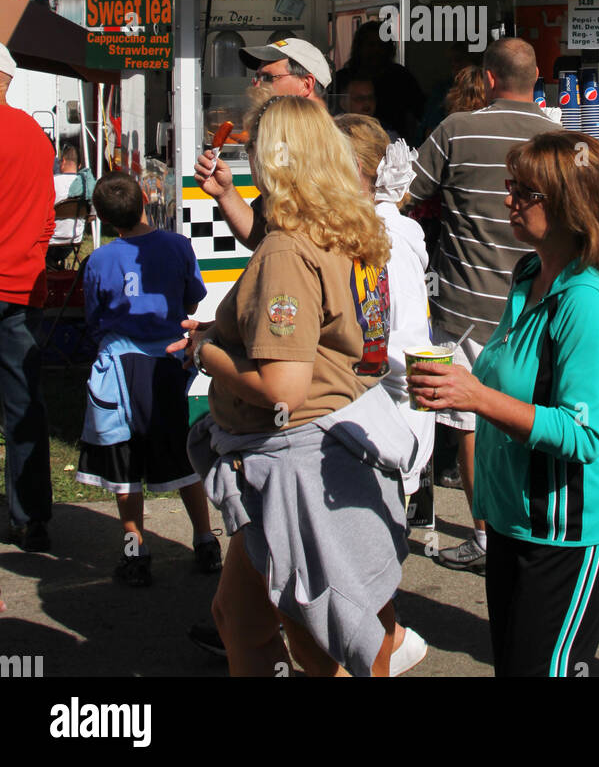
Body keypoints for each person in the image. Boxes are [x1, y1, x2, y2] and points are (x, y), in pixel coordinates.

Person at [178, 96, 414, 677]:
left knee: (315, 640)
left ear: (276, 157)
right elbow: (281, 251)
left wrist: (204, 349)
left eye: (255, 149)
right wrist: (228, 197)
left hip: (296, 459)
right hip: (335, 442)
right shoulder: (345, 223)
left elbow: (282, 385)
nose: (251, 160)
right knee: (242, 619)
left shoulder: (288, 249)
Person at [408, 132, 599, 677]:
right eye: (510, 186)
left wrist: (476, 396)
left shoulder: (587, 303)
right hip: (514, 523)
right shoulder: (528, 275)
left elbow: (585, 435)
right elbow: (514, 381)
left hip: (568, 532)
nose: (509, 200)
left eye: (524, 192)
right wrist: (458, 386)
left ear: (571, 206)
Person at [408, 36, 550, 571]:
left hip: (467, 307)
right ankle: (532, 527)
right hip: (539, 310)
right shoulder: (560, 139)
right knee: (532, 415)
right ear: (535, 78)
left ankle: (485, 536)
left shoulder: (456, 130)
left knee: (469, 423)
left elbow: (407, 192)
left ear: (488, 79)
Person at [75, 173, 222, 586]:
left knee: (123, 469)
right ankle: (206, 540)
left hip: (119, 369)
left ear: (104, 219)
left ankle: (135, 553)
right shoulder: (178, 246)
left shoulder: (99, 260)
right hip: (168, 364)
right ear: (145, 198)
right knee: (181, 455)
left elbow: (93, 316)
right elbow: (192, 299)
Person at [336, 113, 434, 676]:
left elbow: (402, 343)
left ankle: (389, 646)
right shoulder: (365, 230)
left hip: (387, 417)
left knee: (363, 556)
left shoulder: (387, 239)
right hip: (373, 410)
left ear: (357, 169)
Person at [193, 37, 330, 251]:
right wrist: (225, 193)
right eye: (256, 77)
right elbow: (263, 237)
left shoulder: (338, 144)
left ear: (306, 84)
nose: (256, 85)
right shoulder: (281, 143)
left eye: (267, 77)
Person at [0, 43, 56, 551]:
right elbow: (46, 216)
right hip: (22, 284)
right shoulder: (37, 137)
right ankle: (31, 516)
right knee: (23, 404)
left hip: (14, 279)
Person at [335, 20, 424, 143]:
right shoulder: (343, 78)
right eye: (371, 45)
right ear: (359, 47)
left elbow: (420, 112)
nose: (376, 50)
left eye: (381, 45)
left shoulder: (401, 77)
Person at [47, 141, 96, 268]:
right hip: (74, 240)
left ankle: (51, 266)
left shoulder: (52, 182)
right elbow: (92, 216)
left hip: (50, 241)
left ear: (62, 161)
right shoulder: (86, 185)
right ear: (79, 165)